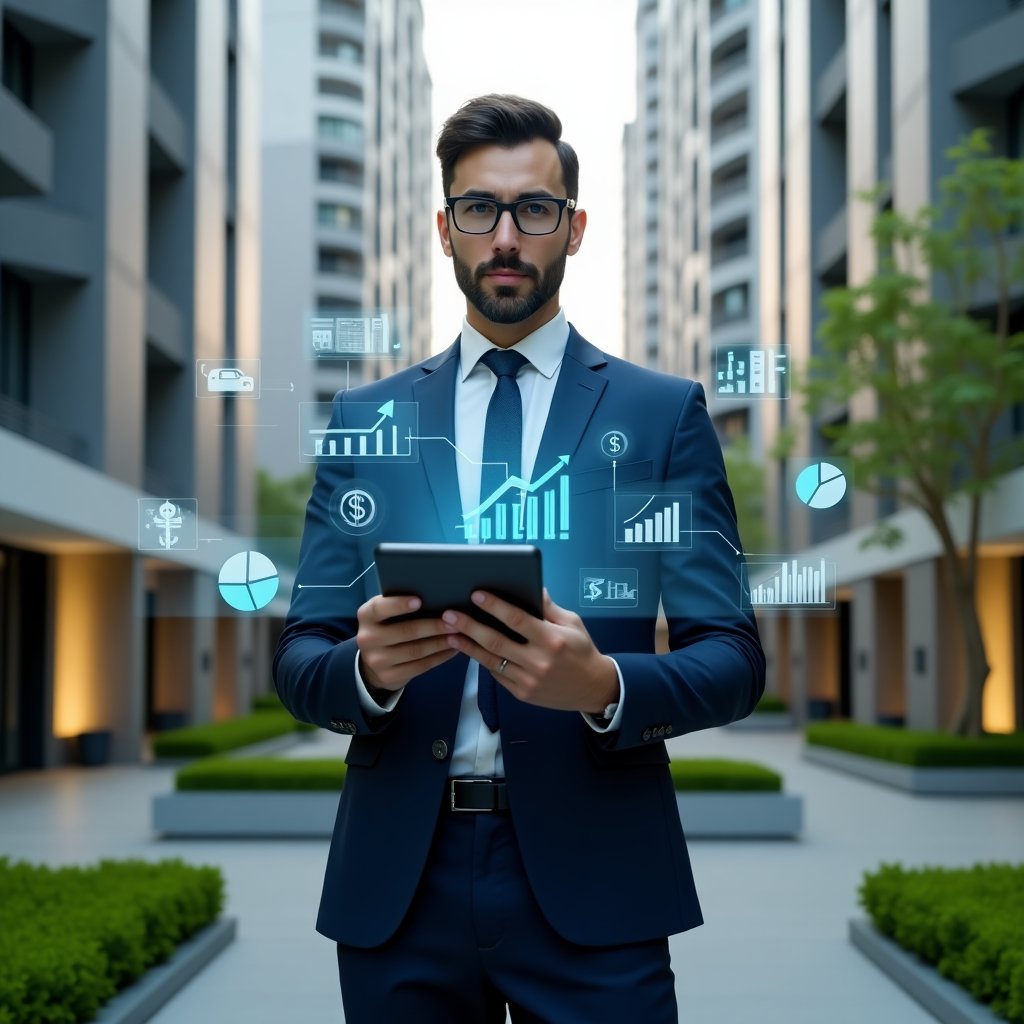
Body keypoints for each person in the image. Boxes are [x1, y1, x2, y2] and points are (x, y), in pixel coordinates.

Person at [274, 93, 765, 1023]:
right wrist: (364, 673)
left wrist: (606, 686)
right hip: (400, 890)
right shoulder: (367, 420)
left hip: (599, 885)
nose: (505, 236)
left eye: (534, 210)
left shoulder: (661, 417)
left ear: (573, 229)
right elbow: (301, 660)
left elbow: (734, 658)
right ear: (443, 226)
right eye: (478, 210)